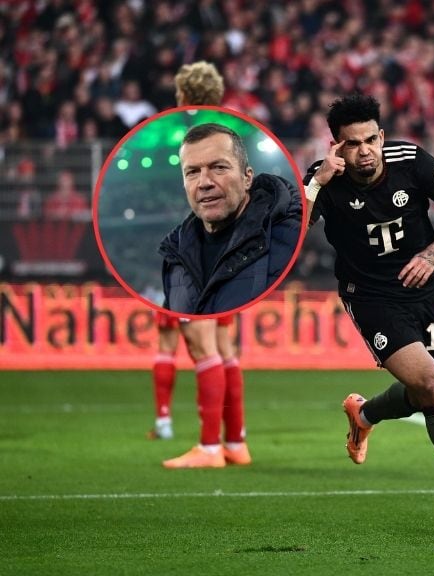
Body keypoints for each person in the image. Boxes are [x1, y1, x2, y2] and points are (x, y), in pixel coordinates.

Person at [302, 94, 434, 533]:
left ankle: (364, 415)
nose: (364, 151)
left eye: (370, 140)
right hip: (370, 296)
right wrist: (317, 182)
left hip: (423, 290)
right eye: (352, 143)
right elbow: (292, 231)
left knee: (424, 391)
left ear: (381, 136)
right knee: (431, 385)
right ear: (336, 146)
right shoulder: (324, 179)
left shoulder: (411, 161)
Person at [155, 61, 251, 469]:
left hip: (197, 254)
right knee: (225, 348)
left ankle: (210, 448)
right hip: (232, 250)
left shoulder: (183, 136)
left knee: (202, 346)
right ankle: (236, 443)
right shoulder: (231, 134)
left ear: (181, 94)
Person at [159, 122, 301, 314]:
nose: (204, 182)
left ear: (247, 178)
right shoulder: (174, 257)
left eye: (218, 167)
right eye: (192, 172)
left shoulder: (293, 236)